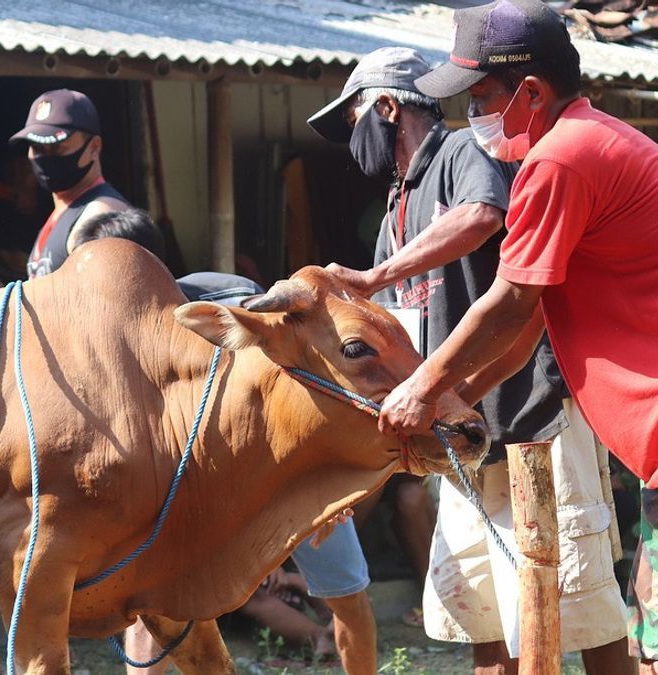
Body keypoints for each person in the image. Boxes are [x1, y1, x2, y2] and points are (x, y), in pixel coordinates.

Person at [310, 44, 631, 672]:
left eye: (353, 123)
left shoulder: (463, 152)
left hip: (531, 412)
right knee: (481, 608)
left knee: (578, 602)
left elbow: (483, 215)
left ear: (385, 108)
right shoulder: (395, 213)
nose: (353, 142)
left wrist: (378, 274)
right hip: (461, 430)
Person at [72, 208, 379, 675]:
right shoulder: (103, 338)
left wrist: (331, 481)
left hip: (295, 465)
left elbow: (315, 390)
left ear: (138, 266)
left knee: (347, 597)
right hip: (207, 482)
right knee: (150, 595)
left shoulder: (225, 301)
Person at [10, 89, 130, 279]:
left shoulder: (99, 213)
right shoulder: (63, 209)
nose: (45, 157)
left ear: (94, 147)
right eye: (37, 148)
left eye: (57, 147)